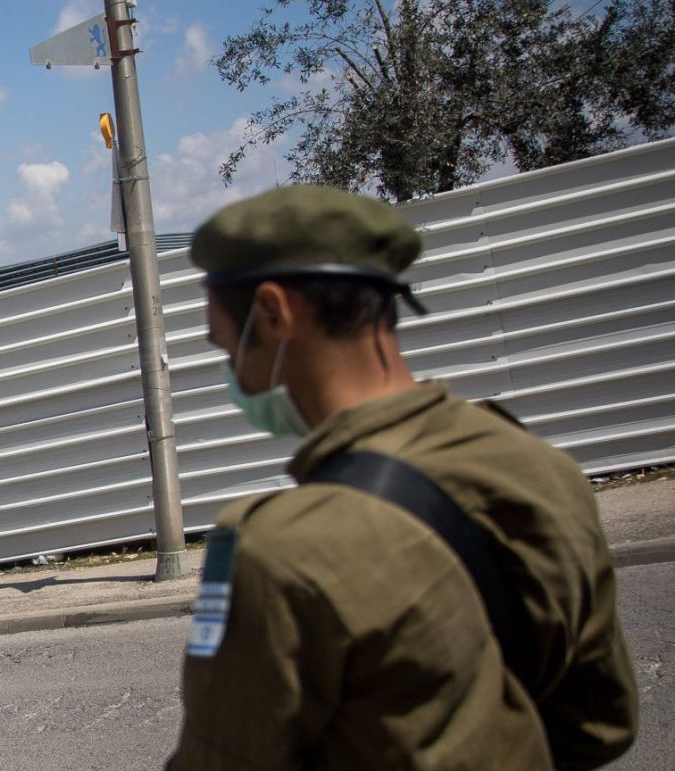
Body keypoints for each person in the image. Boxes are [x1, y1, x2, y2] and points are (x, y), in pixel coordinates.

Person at [167, 185, 637, 769]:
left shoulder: (275, 549)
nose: (232, 371)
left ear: (273, 312)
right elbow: (602, 726)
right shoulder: (541, 468)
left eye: (226, 344)